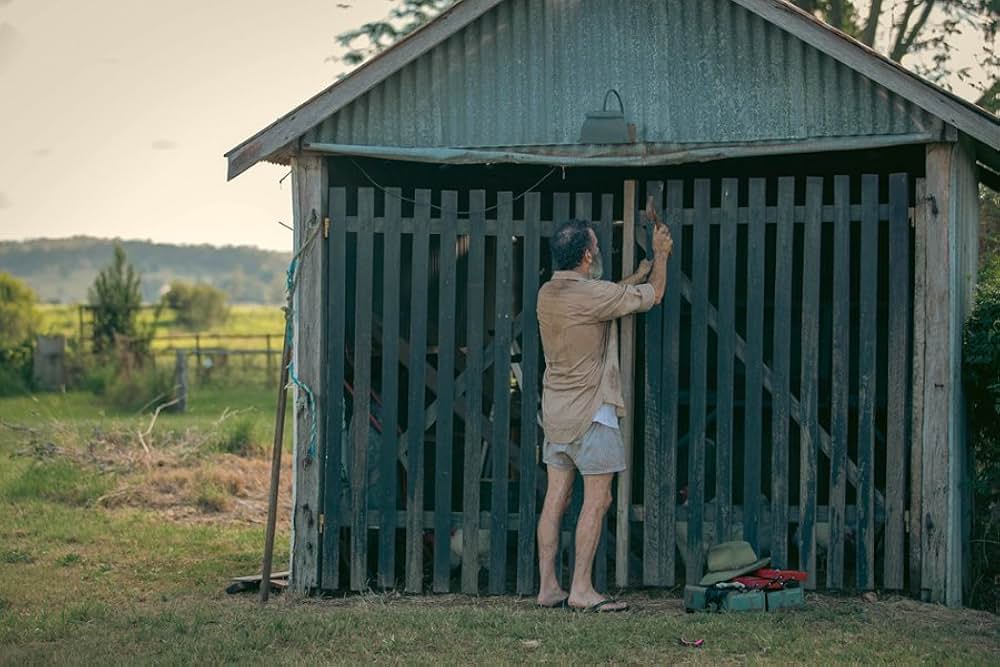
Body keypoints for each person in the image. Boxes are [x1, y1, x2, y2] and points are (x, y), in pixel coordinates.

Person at [535, 203, 673, 612]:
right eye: (596, 246)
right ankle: (581, 589)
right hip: (592, 414)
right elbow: (655, 296)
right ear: (587, 256)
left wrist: (638, 272)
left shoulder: (548, 293)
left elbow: (608, 297)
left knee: (556, 498)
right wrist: (662, 255)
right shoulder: (591, 294)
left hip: (556, 413)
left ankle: (548, 588)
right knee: (597, 501)